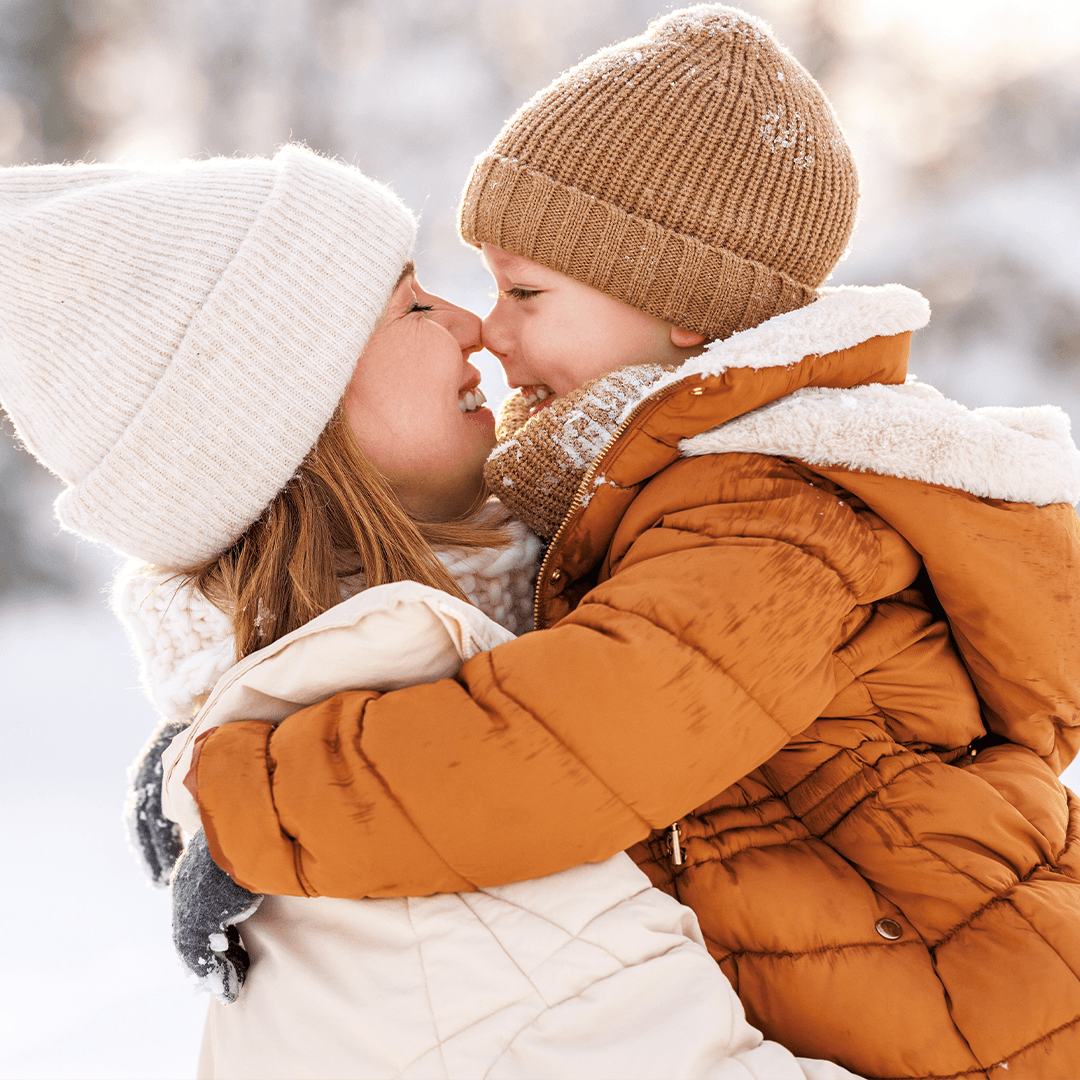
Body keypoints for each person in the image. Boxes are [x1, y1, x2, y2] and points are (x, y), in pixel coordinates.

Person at [177, 8, 1080, 1079]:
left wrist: (241, 801)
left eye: (526, 292)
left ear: (681, 305)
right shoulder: (658, 488)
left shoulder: (771, 512)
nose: (489, 329)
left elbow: (565, 742)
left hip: (977, 1017)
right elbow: (492, 643)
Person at [0, 145, 857, 1079]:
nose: (474, 328)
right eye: (411, 303)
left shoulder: (505, 659)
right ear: (295, 418)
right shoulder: (419, 870)